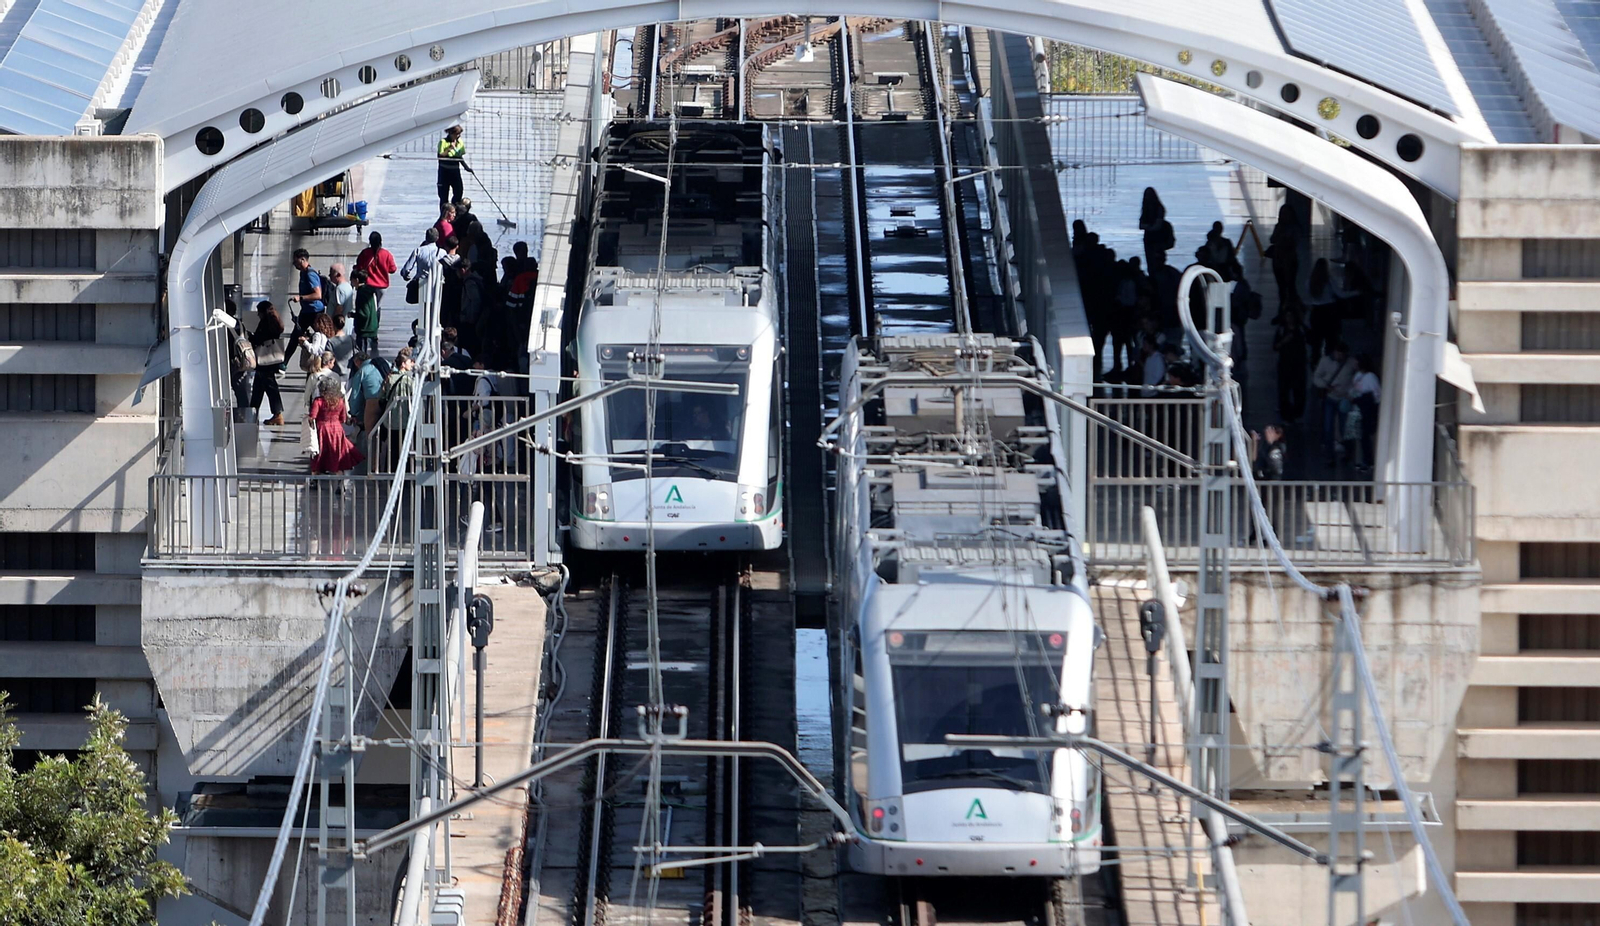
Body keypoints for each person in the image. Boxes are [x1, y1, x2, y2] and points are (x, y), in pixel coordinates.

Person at [309, 376, 364, 476]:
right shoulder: (340, 401)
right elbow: (343, 419)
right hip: (337, 430)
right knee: (337, 455)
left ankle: (314, 479)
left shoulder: (318, 402)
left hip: (322, 430)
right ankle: (340, 481)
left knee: (319, 455)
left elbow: (312, 417)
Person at [374, 348, 418, 471]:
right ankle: (406, 470)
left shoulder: (389, 378)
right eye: (410, 361)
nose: (412, 364)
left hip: (390, 418)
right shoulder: (409, 380)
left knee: (392, 447)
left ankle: (391, 470)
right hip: (405, 418)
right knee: (405, 446)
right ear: (403, 364)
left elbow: (382, 396)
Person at [1311, 342, 1358, 458]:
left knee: (1345, 428)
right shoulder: (1325, 361)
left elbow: (1358, 377)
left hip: (1344, 398)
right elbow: (1316, 377)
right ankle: (1329, 454)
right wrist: (1326, 386)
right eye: (1338, 354)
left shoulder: (1351, 363)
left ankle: (1348, 453)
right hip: (1330, 398)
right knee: (1328, 428)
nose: (1340, 357)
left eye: (1342, 354)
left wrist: (1351, 392)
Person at [248, 301, 287, 426]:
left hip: (264, 360)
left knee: (270, 387)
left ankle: (277, 414)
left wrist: (250, 337)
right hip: (271, 360)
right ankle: (252, 411)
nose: (258, 315)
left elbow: (259, 339)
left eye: (259, 312)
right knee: (259, 386)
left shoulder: (265, 323)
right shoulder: (275, 321)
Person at [285, 248, 325, 367]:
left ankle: (326, 359)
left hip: (315, 312)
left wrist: (301, 298)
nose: (294, 265)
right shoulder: (303, 273)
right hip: (307, 311)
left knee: (322, 337)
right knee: (295, 335)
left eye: (296, 262)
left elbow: (318, 294)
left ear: (303, 260)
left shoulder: (310, 274)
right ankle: (284, 363)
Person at [1272, 308, 1307, 421]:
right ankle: (1285, 413)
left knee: (1299, 390)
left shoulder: (1301, 329)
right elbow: (1275, 346)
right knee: (1284, 390)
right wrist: (1284, 341)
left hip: (1299, 364)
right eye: (1287, 316)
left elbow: (1310, 339)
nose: (1289, 318)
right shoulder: (1282, 330)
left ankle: (1297, 412)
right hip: (1285, 364)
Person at [1348, 356, 1381, 472]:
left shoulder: (1370, 377)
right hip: (1357, 409)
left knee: (1365, 436)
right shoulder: (1358, 376)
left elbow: (1375, 395)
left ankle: (1368, 461)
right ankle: (1359, 460)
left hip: (1366, 410)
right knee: (1358, 436)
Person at [355, 231, 398, 308]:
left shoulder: (365, 253)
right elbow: (393, 270)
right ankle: (376, 319)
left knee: (367, 307)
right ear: (380, 241)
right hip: (382, 286)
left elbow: (359, 267)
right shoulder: (386, 254)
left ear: (370, 242)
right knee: (377, 306)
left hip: (368, 285)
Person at [401, 228, 443, 304]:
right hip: (436, 283)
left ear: (426, 237)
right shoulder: (442, 252)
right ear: (437, 238)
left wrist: (405, 275)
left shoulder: (418, 251)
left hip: (421, 282)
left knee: (422, 305)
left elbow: (407, 269)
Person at [1139, 187, 1175, 271]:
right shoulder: (1153, 208)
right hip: (1151, 238)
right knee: (1152, 260)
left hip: (1154, 238)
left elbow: (1143, 225)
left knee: (1154, 259)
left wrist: (1148, 227)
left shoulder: (1153, 208)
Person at [437, 124, 468, 211]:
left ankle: (455, 212)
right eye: (457, 134)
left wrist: (466, 167)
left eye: (459, 134)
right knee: (443, 196)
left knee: (459, 192)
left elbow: (459, 157)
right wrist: (450, 148)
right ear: (451, 133)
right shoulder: (443, 142)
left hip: (455, 172)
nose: (458, 136)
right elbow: (440, 156)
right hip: (444, 172)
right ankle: (444, 214)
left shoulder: (460, 142)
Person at [353, 269, 381, 356]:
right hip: (373, 327)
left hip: (364, 329)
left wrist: (353, 315)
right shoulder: (370, 290)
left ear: (357, 280)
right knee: (373, 353)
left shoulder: (361, 293)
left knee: (361, 354)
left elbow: (364, 313)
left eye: (352, 280)